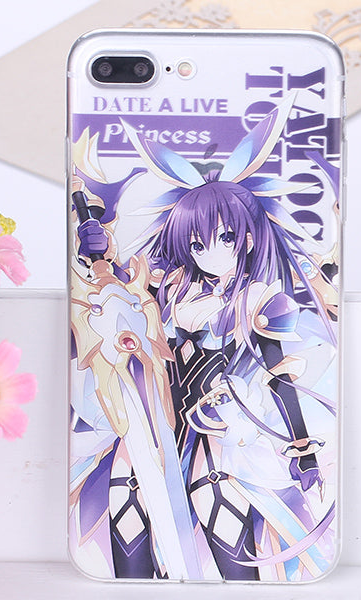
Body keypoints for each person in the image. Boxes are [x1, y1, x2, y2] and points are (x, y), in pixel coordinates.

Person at [69, 99, 339, 581]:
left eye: (224, 238)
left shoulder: (259, 299)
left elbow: (279, 377)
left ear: (247, 239)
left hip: (219, 425)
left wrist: (304, 448)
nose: (209, 253)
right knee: (128, 499)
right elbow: (121, 293)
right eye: (196, 243)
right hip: (158, 417)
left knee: (218, 501)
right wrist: (96, 244)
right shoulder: (171, 286)